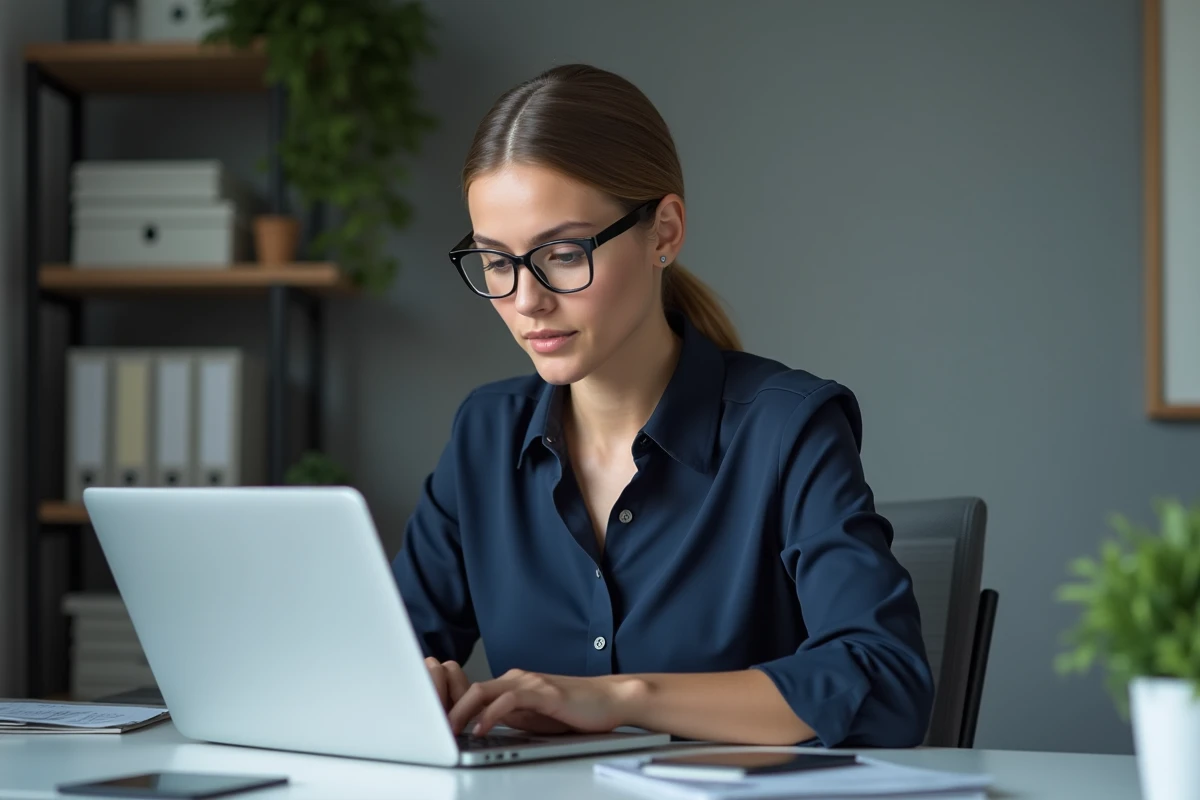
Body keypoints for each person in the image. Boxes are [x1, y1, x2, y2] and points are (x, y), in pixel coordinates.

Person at [391, 63, 934, 749]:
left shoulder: (787, 428)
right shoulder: (485, 436)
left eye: (561, 253)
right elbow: (380, 660)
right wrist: (408, 683)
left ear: (664, 232)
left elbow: (888, 686)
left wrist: (622, 697)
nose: (526, 300)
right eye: (497, 262)